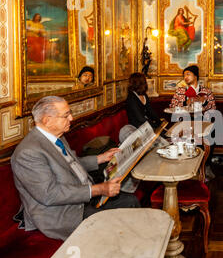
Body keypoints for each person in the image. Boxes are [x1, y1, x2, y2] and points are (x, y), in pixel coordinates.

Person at [11, 96, 140, 241]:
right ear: (47, 120)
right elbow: (50, 194)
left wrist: (101, 158)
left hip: (82, 197)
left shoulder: (56, 136)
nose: (71, 118)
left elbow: (70, 163)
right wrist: (98, 189)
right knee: (114, 224)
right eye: (66, 115)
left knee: (131, 201)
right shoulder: (28, 152)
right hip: (60, 212)